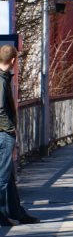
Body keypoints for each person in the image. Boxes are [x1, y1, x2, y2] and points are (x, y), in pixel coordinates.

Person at [0, 45, 38, 225]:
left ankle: (16, 212)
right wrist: (10, 129)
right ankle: (4, 214)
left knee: (8, 176)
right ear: (14, 61)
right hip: (3, 134)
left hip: (3, 132)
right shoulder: (1, 80)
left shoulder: (4, 78)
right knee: (3, 177)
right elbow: (1, 109)